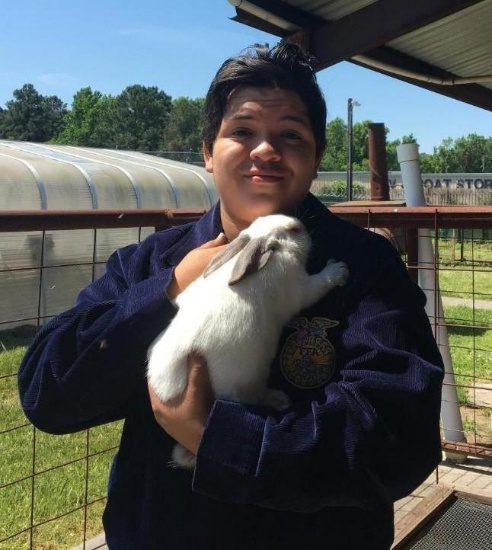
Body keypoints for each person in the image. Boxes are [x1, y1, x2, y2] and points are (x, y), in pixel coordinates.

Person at [18, 43, 444, 550]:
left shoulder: (364, 268)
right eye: (241, 131)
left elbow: (399, 435)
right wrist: (169, 290)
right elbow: (47, 393)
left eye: (291, 134)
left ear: (315, 160)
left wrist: (218, 438)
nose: (265, 149)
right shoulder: (150, 264)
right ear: (207, 151)